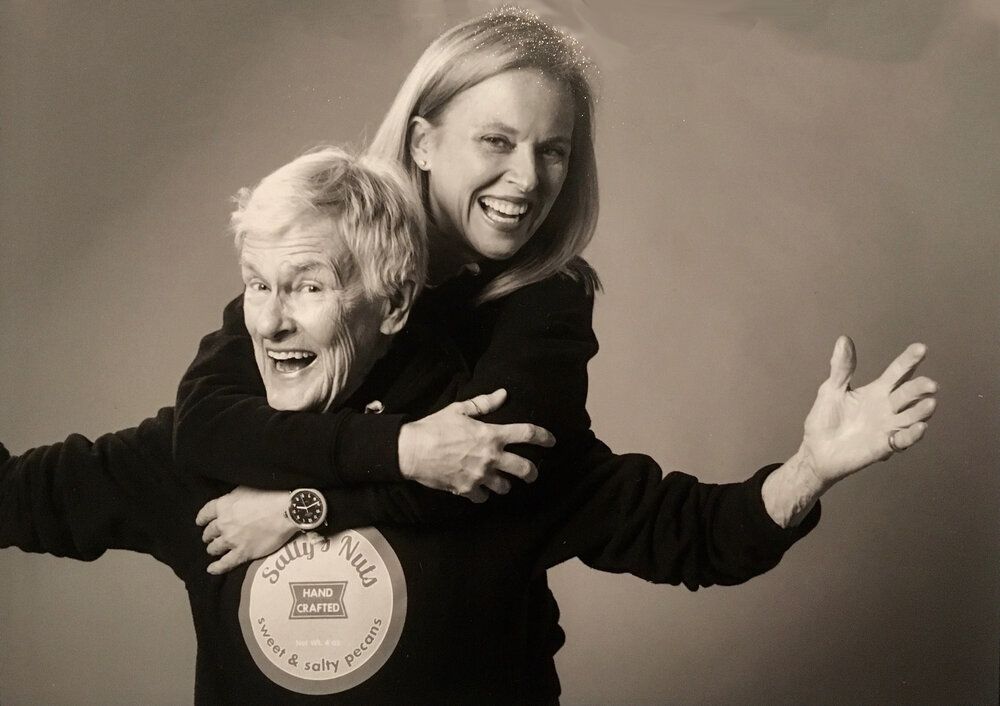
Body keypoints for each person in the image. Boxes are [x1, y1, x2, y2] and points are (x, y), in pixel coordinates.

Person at [165, 5, 937, 701]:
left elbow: (495, 477)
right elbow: (203, 429)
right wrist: (401, 450)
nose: (530, 178)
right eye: (497, 141)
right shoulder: (317, 269)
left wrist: (812, 469)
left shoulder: (545, 310)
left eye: (555, 151)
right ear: (423, 141)